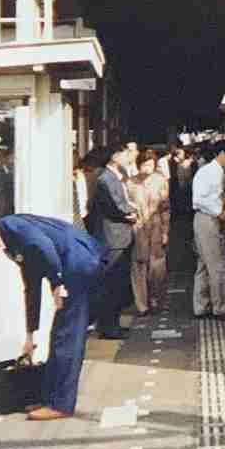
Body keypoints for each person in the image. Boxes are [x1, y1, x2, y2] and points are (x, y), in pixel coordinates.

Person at [0, 207, 105, 420]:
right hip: (74, 265)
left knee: (67, 337)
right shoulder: (11, 241)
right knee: (59, 336)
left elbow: (45, 246)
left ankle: (60, 405)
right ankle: (51, 399)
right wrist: (30, 335)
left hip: (79, 264)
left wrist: (58, 283)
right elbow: (31, 286)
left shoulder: (12, 226)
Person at [86, 143, 138, 339]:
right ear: (115, 157)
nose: (128, 157)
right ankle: (108, 327)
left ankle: (113, 324)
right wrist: (130, 214)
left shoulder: (113, 177)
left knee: (117, 283)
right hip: (113, 237)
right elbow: (114, 206)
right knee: (111, 283)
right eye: (125, 153)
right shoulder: (105, 179)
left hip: (118, 236)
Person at [191, 139, 225, 319]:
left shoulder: (212, 171)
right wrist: (219, 211)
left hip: (206, 220)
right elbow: (199, 199)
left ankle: (201, 306)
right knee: (217, 265)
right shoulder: (210, 172)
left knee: (204, 265)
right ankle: (223, 307)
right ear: (222, 154)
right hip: (208, 220)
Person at [127, 151, 169, 315]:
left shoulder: (161, 181)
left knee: (157, 267)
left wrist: (166, 231)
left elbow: (165, 207)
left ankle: (156, 298)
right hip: (137, 228)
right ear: (138, 165)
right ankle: (142, 305)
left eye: (151, 164)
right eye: (144, 164)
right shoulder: (130, 183)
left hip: (156, 226)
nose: (147, 168)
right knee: (138, 266)